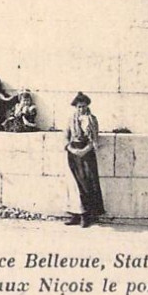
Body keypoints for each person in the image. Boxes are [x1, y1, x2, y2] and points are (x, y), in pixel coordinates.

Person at [64, 92, 105, 228]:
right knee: (74, 183)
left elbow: (94, 140)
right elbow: (66, 136)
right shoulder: (71, 119)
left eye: (83, 106)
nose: (81, 109)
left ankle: (87, 215)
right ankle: (75, 214)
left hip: (86, 153)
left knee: (86, 182)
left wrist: (83, 151)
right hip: (73, 152)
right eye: (78, 107)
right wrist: (71, 149)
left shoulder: (91, 119)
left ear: (87, 106)